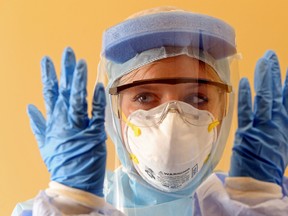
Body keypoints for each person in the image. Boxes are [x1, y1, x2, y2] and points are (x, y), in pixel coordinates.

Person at [13, 6, 288, 216]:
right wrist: (71, 204)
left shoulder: (266, 200)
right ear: (116, 110)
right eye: (144, 97)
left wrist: (258, 201)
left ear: (223, 109)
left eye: (196, 98)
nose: (171, 123)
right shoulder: (48, 209)